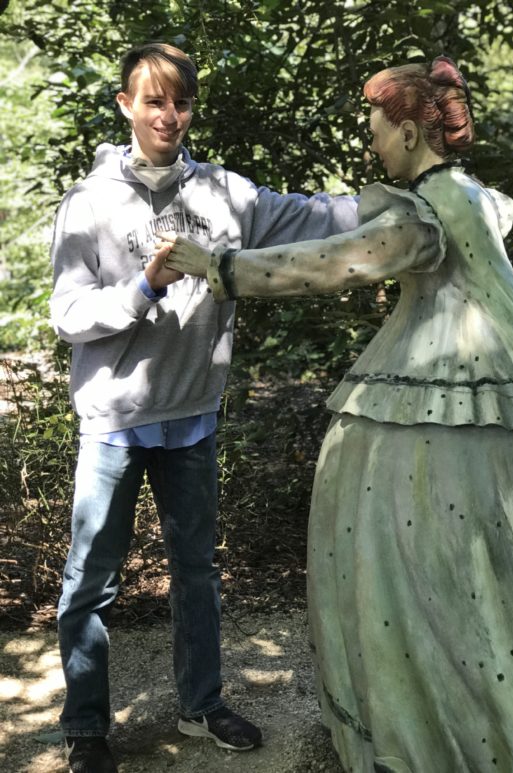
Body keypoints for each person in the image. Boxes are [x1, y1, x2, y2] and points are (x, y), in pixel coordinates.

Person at [160, 57, 513, 772]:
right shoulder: (476, 197)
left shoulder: (423, 214)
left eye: (379, 128)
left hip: (453, 382)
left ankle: (450, 733)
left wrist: (217, 266)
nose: (372, 144)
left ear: (413, 134)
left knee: (434, 557)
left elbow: (332, 262)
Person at [49, 41, 359, 773]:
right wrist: (143, 288)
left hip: (193, 417)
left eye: (181, 101)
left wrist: (402, 195)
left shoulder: (225, 193)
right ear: (126, 105)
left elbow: (308, 216)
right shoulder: (89, 203)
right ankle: (86, 727)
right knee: (91, 580)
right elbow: (68, 314)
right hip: (114, 424)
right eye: (154, 100)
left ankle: (202, 704)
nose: (170, 115)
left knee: (197, 572)